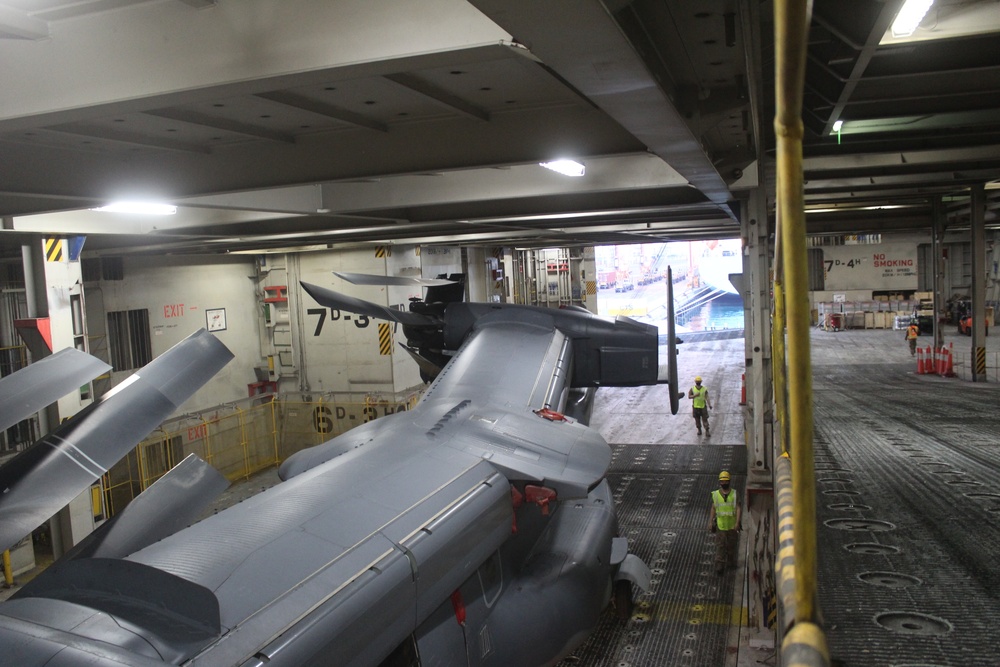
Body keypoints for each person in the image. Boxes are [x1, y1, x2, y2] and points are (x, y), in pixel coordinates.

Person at [709, 470, 741, 574]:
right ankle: (719, 565)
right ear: (719, 482)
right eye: (722, 481)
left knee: (731, 546)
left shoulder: (735, 494)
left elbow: (738, 508)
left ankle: (731, 562)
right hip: (721, 526)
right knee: (720, 546)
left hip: (732, 526)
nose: (724, 483)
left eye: (726, 481)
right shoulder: (716, 495)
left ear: (729, 481)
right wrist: (710, 521)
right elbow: (713, 508)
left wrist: (737, 523)